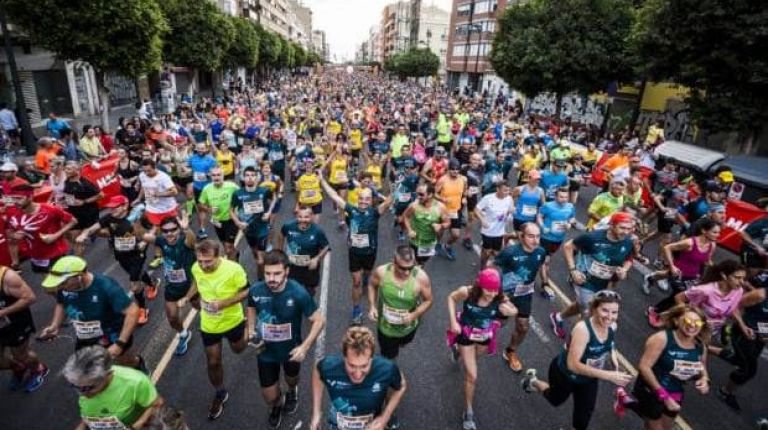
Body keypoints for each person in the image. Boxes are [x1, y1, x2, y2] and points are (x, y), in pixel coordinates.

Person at [521, 290, 632, 430]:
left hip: (589, 379)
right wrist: (609, 375)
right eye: (605, 310)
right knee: (555, 400)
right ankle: (532, 381)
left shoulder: (612, 326)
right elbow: (573, 365)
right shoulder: (583, 330)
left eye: (614, 312)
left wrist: (614, 360)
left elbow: (610, 344)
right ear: (594, 308)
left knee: (582, 421)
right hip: (565, 374)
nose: (610, 317)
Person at [246, 250, 326, 429]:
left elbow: (319, 320)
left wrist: (304, 348)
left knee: (292, 379)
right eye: (267, 273)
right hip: (265, 352)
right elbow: (251, 307)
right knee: (270, 397)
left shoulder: (298, 293)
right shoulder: (256, 290)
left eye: (277, 273)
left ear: (287, 271)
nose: (271, 278)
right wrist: (251, 329)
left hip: (291, 351)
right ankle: (276, 406)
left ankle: (291, 391)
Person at [40, 256, 145, 371]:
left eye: (63, 283)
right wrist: (55, 325)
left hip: (113, 334)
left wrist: (119, 344)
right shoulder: (65, 288)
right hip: (86, 336)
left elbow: (133, 312)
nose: (59, 286)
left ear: (79, 276)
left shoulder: (105, 286)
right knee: (85, 368)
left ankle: (139, 366)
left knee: (127, 362)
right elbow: (61, 303)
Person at [447, 269, 517, 430]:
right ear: (480, 285)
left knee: (473, 360)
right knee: (472, 374)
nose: (492, 294)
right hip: (465, 334)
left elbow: (513, 310)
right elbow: (451, 298)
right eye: (488, 289)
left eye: (495, 290)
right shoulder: (467, 292)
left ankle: (458, 352)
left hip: (484, 338)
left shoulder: (499, 297)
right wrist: (453, 321)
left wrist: (510, 312)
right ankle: (468, 412)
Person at [187, 239, 249, 420]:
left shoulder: (234, 269)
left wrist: (224, 303)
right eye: (200, 261)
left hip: (232, 320)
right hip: (209, 324)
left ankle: (248, 329)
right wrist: (189, 297)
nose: (204, 265)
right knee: (213, 362)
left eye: (208, 261)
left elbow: (246, 291)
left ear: (219, 256)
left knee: (239, 349)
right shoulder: (195, 268)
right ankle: (220, 392)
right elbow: (197, 282)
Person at [551, 212, 636, 338]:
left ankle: (558, 317)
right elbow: (568, 247)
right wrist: (573, 270)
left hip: (606, 282)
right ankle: (575, 343)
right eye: (622, 228)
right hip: (585, 280)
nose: (625, 232)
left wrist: (624, 269)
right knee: (588, 313)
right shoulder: (592, 237)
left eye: (629, 229)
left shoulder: (628, 242)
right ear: (611, 225)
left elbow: (629, 258)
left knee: (582, 305)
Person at [322, 176, 393, 324]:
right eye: (361, 198)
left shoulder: (375, 213)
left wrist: (400, 185)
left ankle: (367, 277)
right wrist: (322, 180)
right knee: (356, 282)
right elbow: (334, 196)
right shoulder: (352, 210)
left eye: (367, 199)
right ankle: (356, 310)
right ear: (358, 198)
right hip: (354, 253)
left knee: (367, 274)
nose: (363, 202)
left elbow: (388, 201)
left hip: (370, 253)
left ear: (371, 200)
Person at [630, 304, 710, 430]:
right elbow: (644, 367)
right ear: (676, 321)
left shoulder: (700, 346)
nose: (692, 325)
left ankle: (628, 401)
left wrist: (704, 379)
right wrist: (665, 398)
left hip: (676, 391)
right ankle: (634, 402)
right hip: (652, 391)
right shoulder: (661, 339)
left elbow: (701, 367)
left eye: (697, 322)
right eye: (687, 320)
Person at [311, 325, 407, 430]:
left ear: (371, 359)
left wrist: (385, 417)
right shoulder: (330, 366)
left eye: (364, 366)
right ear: (344, 358)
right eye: (352, 365)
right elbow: (317, 371)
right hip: (337, 423)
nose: (357, 374)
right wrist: (316, 413)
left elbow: (401, 386)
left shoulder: (386, 369)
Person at [63, 346, 164, 430]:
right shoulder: (83, 384)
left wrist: (135, 427)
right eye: (75, 386)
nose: (83, 394)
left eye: (87, 388)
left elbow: (157, 404)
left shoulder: (135, 382)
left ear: (107, 375)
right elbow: (89, 415)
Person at [644, 219, 719, 325]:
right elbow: (667, 248)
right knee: (679, 294)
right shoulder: (690, 243)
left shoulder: (712, 246)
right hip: (678, 272)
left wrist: (716, 269)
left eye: (718, 232)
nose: (718, 235)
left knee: (685, 298)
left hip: (692, 276)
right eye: (714, 232)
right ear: (704, 231)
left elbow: (707, 260)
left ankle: (650, 278)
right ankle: (654, 311)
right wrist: (672, 266)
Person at [494, 222, 547, 372]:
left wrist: (545, 282)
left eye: (538, 236)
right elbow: (492, 269)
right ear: (521, 237)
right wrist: (501, 295)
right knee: (500, 324)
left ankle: (510, 351)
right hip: (505, 295)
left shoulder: (540, 252)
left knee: (523, 326)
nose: (535, 240)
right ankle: (473, 336)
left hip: (524, 294)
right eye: (531, 236)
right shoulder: (510, 253)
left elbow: (542, 264)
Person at [142, 215, 197, 356]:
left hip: (192, 285)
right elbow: (144, 236)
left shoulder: (185, 241)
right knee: (172, 317)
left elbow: (192, 240)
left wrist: (187, 228)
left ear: (179, 229)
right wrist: (134, 220)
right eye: (166, 231)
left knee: (204, 308)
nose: (170, 233)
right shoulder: (161, 240)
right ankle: (184, 334)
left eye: (173, 229)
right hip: (172, 287)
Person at [367, 246, 433, 360]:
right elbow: (372, 285)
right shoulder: (382, 272)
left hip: (409, 327)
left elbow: (429, 300)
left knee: (404, 342)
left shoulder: (421, 278)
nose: (407, 272)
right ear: (394, 263)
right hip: (386, 328)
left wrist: (414, 315)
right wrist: (372, 306)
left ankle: (400, 343)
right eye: (402, 268)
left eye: (410, 268)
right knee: (389, 356)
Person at [717, 270, 768, 411]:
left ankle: (704, 349)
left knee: (739, 362)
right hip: (743, 332)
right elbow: (734, 307)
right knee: (747, 368)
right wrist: (744, 326)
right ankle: (725, 392)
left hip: (759, 338)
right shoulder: (760, 295)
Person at [6, 183, 76, 272]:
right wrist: (15, 235)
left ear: (30, 197)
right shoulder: (13, 214)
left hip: (55, 253)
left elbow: (73, 221)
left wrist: (55, 235)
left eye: (19, 198)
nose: (16, 201)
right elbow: (11, 236)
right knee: (48, 281)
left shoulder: (49, 209)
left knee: (63, 281)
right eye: (13, 198)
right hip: (36, 256)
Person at [0, 265, 48, 392]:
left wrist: (3, 312)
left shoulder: (7, 277)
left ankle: (38, 368)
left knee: (21, 355)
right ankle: (19, 368)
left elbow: (29, 297)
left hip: (15, 323)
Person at [231, 166, 276, 280]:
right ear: (243, 178)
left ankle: (261, 280)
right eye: (247, 176)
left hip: (262, 230)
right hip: (248, 231)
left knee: (260, 260)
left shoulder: (264, 191)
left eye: (252, 175)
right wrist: (238, 223)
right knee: (255, 253)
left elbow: (274, 198)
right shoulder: (238, 194)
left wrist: (269, 212)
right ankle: (262, 265)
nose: (250, 178)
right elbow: (231, 210)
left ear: (257, 177)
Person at [277, 205, 330, 296]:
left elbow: (326, 247)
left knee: (309, 293)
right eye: (300, 217)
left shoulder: (318, 231)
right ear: (296, 216)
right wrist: (280, 252)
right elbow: (281, 235)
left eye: (306, 217)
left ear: (312, 217)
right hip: (293, 265)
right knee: (292, 291)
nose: (303, 220)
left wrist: (317, 259)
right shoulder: (288, 226)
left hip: (309, 267)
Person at [537, 187, 577, 291]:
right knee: (545, 261)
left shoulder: (570, 207)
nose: (564, 199)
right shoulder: (548, 206)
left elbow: (572, 218)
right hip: (546, 238)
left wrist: (569, 223)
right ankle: (544, 283)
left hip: (559, 239)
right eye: (561, 197)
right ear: (555, 197)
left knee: (547, 258)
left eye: (566, 197)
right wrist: (542, 227)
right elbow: (539, 216)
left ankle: (539, 265)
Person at [403, 182, 450, 266]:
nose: (418, 197)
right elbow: (405, 217)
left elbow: (448, 223)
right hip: (414, 241)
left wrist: (441, 226)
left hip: (429, 243)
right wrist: (409, 230)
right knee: (412, 262)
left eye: (421, 194)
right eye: (417, 194)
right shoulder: (414, 206)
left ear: (430, 195)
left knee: (421, 263)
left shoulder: (440, 207)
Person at [63, 160, 104, 256]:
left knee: (100, 233)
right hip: (74, 214)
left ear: (77, 170)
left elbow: (101, 195)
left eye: (69, 169)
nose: (66, 170)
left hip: (88, 214)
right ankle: (79, 263)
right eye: (66, 168)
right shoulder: (67, 180)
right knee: (73, 238)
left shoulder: (85, 183)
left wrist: (84, 201)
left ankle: (111, 234)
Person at [199, 166, 240, 261]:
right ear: (210, 177)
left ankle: (234, 267)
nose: (216, 177)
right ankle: (236, 254)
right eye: (214, 175)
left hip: (231, 220)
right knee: (226, 246)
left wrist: (238, 211)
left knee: (228, 247)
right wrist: (209, 209)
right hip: (217, 221)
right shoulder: (207, 189)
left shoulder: (232, 186)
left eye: (218, 175)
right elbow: (201, 204)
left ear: (223, 175)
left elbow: (242, 196)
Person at [474, 181, 515, 268]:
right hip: (488, 230)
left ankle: (493, 269)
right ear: (498, 189)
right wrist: (482, 220)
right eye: (504, 190)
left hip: (499, 231)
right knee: (487, 252)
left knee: (496, 253)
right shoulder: (488, 198)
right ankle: (482, 268)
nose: (507, 193)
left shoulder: (509, 199)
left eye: (508, 190)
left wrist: (511, 212)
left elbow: (510, 211)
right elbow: (476, 210)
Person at [435, 159, 468, 261]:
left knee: (456, 235)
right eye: (453, 169)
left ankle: (447, 246)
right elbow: (434, 194)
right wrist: (442, 199)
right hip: (443, 211)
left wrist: (464, 198)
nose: (455, 171)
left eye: (457, 169)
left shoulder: (463, 179)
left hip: (455, 210)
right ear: (448, 169)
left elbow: (465, 190)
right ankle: (437, 244)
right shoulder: (442, 180)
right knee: (440, 231)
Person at [137, 159, 179, 226]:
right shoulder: (142, 175)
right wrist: (138, 198)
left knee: (170, 228)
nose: (146, 173)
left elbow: (174, 192)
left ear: (155, 167)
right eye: (144, 171)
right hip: (151, 208)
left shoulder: (164, 177)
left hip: (167, 209)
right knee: (156, 229)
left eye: (149, 170)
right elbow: (143, 187)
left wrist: (158, 194)